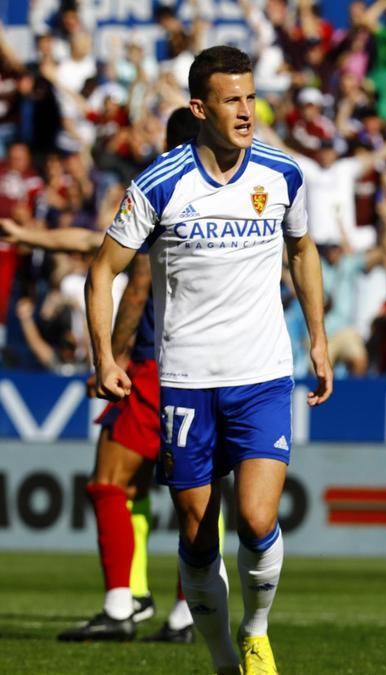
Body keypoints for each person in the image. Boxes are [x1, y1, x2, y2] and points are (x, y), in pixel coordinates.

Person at [84, 46, 331, 675]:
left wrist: (318, 339)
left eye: (251, 97)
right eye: (232, 100)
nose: (247, 112)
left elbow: (303, 252)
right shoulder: (160, 183)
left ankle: (256, 631)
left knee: (256, 517)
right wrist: (104, 357)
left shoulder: (283, 174)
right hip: (187, 382)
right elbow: (102, 271)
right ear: (200, 108)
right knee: (198, 533)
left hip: (263, 375)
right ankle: (224, 662)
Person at [2, 108, 201, 644]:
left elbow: (126, 275)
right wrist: (32, 236)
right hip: (210, 369)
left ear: (169, 145)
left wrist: (109, 360)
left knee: (109, 482)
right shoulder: (227, 207)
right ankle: (189, 610)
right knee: (193, 492)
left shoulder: (164, 195)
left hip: (156, 366)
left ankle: (121, 605)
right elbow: (93, 243)